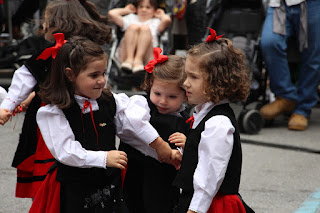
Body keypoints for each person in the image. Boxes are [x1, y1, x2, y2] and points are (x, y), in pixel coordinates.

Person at [29, 35, 178, 212]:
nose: (102, 80)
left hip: (108, 182)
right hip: (75, 186)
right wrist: (104, 158)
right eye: (94, 75)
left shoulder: (110, 100)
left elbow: (130, 131)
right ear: (70, 74)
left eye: (104, 73)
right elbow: (66, 151)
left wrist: (162, 152)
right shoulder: (54, 111)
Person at [0, 0, 113, 199]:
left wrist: (9, 105)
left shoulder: (76, 52)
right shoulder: (52, 52)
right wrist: (9, 105)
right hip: (55, 114)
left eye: (46, 20)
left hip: (80, 113)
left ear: (59, 23)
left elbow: (23, 78)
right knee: (55, 169)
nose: (43, 25)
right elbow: (25, 78)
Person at [172, 28, 254, 213]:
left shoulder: (217, 123)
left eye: (193, 77)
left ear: (217, 81)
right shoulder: (203, 113)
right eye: (186, 75)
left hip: (211, 205)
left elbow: (209, 176)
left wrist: (195, 210)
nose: (185, 83)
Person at [119, 47, 189, 213]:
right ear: (150, 85)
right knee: (131, 204)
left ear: (186, 94)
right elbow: (133, 122)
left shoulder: (185, 118)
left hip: (164, 177)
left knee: (161, 206)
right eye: (157, 93)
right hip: (135, 170)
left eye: (172, 97)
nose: (163, 101)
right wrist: (160, 145)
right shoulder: (141, 104)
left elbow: (192, 154)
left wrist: (185, 145)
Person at [259, 0, 320, 131]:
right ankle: (286, 96)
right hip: (279, 3)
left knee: (312, 56)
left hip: (313, 4)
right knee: (269, 42)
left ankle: (302, 109)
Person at [108, 0, 171, 73]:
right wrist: (125, 10)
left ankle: (138, 60)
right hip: (125, 57)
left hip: (147, 57)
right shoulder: (130, 18)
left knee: (145, 28)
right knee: (133, 27)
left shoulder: (156, 22)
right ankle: (130, 59)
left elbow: (167, 20)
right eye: (141, 7)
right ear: (136, 9)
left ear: (155, 10)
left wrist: (161, 14)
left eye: (148, 7)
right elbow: (111, 14)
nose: (144, 10)